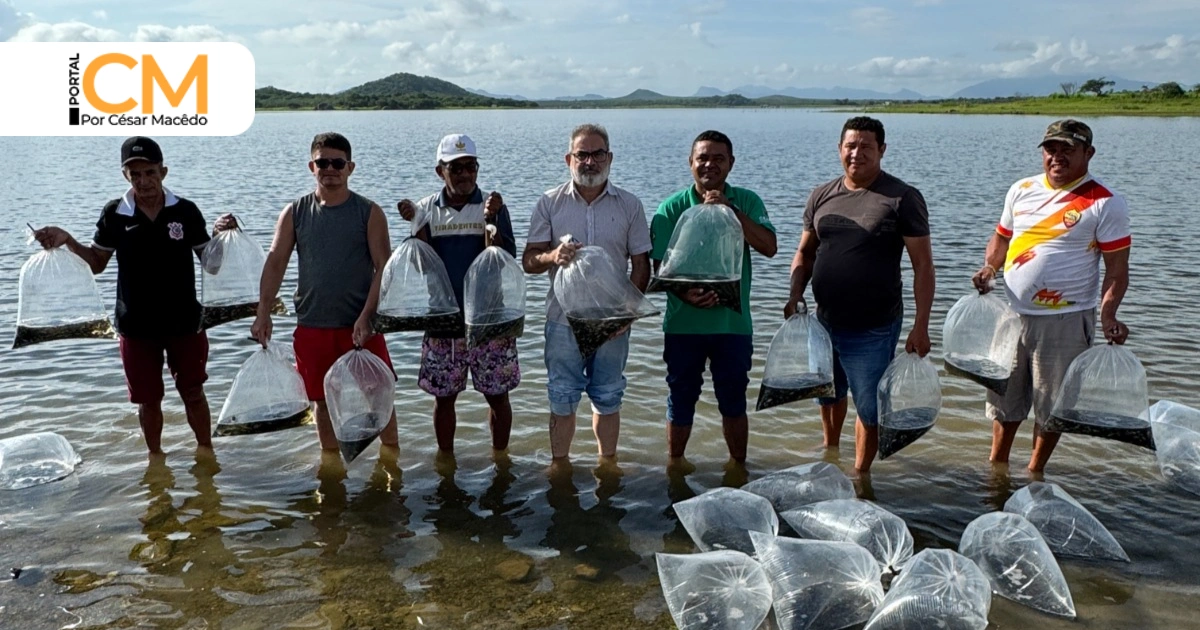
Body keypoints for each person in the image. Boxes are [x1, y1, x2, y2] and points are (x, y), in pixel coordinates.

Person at [34, 136, 237, 454]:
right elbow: (98, 263)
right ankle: (156, 461)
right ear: (125, 176)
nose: (143, 181)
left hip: (185, 322)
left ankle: (206, 452)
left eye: (150, 173)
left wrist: (219, 237)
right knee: (148, 401)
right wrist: (68, 240)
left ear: (163, 171)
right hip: (136, 326)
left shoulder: (185, 211)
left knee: (194, 392)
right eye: (135, 174)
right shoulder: (115, 213)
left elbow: (211, 265)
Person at [972, 119, 1131, 473]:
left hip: (1066, 320)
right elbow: (1001, 239)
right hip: (1011, 316)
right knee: (1004, 400)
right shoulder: (1022, 189)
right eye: (1050, 149)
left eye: (1067, 150)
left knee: (1052, 405)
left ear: (1088, 153)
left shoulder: (1105, 202)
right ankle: (997, 467)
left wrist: (1108, 316)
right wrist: (989, 269)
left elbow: (1117, 272)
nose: (1057, 157)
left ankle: (1034, 471)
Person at [785, 116, 935, 474]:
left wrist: (921, 326)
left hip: (873, 327)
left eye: (866, 146)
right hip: (824, 321)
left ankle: (859, 475)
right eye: (850, 146)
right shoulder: (821, 194)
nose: (857, 153)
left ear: (882, 150)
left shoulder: (902, 198)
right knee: (828, 392)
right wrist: (794, 294)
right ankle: (830, 451)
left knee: (868, 406)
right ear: (840, 149)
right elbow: (805, 253)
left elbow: (923, 267)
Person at [251, 132, 400, 455]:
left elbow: (383, 268)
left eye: (337, 163)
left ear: (350, 167)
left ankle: (392, 465)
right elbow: (276, 262)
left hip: (361, 326)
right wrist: (263, 312)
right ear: (311, 166)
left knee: (380, 397)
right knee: (320, 400)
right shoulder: (295, 212)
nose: (330, 169)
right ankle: (331, 468)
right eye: (323, 162)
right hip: (313, 325)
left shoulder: (369, 212)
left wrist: (367, 316)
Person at [522, 124, 652, 462]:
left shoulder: (629, 205)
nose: (590, 162)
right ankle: (560, 465)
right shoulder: (549, 203)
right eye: (582, 155)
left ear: (610, 158)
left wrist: (628, 312)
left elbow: (641, 264)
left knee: (608, 396)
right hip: (563, 321)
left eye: (597, 154)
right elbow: (529, 261)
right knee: (562, 397)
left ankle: (607, 465)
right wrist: (553, 256)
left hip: (614, 321)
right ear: (569, 159)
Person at [651, 130, 778, 464]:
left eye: (718, 158)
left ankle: (739, 467)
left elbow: (769, 247)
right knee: (679, 401)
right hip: (682, 326)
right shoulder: (671, 208)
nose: (709, 165)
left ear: (731, 163)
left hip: (732, 325)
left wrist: (731, 210)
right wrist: (687, 294)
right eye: (702, 158)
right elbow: (659, 269)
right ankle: (674, 466)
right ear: (690, 163)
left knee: (734, 402)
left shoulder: (747, 201)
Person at [396, 134, 520, 454]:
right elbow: (423, 266)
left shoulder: (491, 205)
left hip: (488, 320)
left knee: (497, 396)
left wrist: (492, 219)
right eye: (456, 168)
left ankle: (500, 458)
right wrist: (415, 222)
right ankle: (446, 459)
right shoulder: (426, 209)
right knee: (444, 397)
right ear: (440, 171)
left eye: (471, 166)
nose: (465, 174)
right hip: (444, 320)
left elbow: (505, 259)